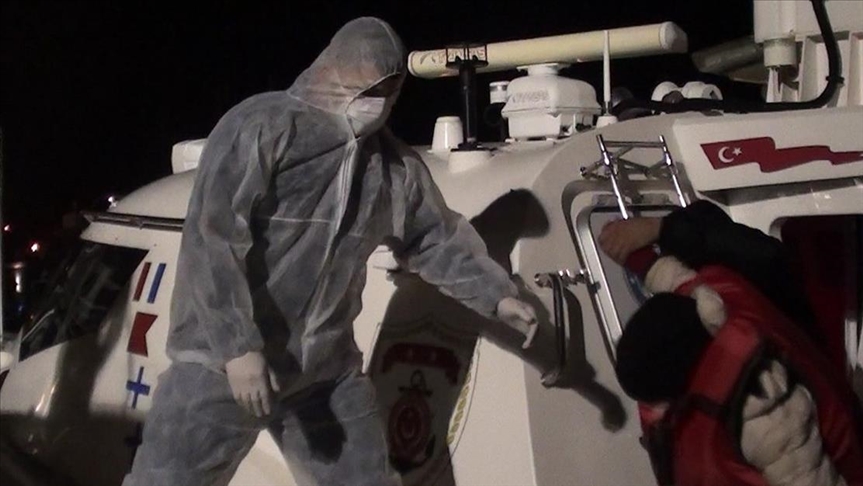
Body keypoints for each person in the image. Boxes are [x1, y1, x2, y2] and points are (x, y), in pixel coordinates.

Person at [123, 17, 537, 486]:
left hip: (323, 374)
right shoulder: (262, 127)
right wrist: (238, 349)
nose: (380, 102)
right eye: (370, 88)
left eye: (390, 90)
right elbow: (213, 238)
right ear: (333, 72)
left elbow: (433, 238)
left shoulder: (391, 167)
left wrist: (498, 297)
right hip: (220, 368)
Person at [599, 202, 863, 486]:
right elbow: (674, 279)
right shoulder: (703, 302)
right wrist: (636, 255)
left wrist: (662, 229)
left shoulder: (759, 404)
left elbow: (809, 478)